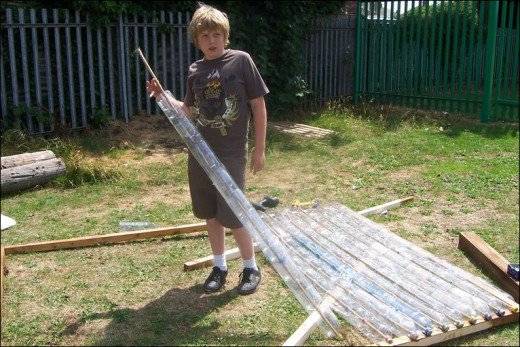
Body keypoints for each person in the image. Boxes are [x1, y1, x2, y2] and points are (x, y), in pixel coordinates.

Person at [146, 3, 268, 295]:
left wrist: (259, 148)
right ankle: (219, 266)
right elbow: (187, 111)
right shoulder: (195, 70)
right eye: (204, 36)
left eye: (216, 34)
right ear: (196, 40)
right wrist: (163, 96)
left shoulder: (241, 61)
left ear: (225, 36)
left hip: (231, 153)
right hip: (200, 152)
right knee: (210, 214)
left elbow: (258, 105)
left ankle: (251, 267)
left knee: (234, 213)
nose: (211, 40)